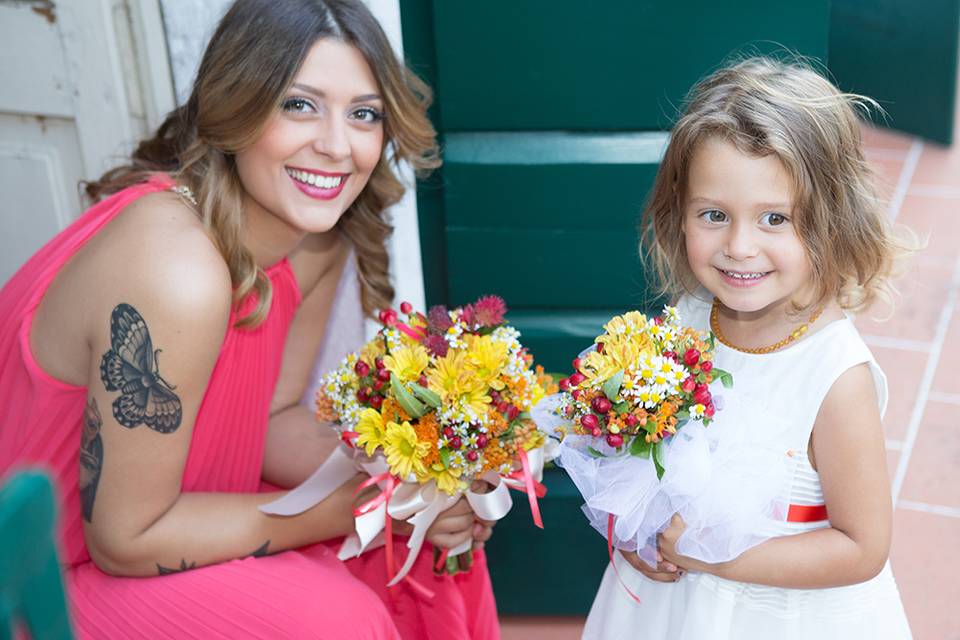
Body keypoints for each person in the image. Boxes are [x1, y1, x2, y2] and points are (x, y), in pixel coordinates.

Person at [0, 1, 496, 637]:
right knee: (337, 621)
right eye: (299, 104)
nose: (336, 146)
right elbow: (124, 540)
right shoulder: (175, 272)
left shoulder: (316, 242)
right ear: (236, 105)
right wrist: (359, 509)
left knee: (431, 548)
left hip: (171, 515)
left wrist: (420, 476)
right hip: (50, 569)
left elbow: (270, 421)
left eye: (364, 113)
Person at [583, 57, 913, 639]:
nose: (739, 246)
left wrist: (710, 556)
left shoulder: (834, 376)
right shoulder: (685, 323)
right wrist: (637, 533)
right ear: (677, 213)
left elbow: (862, 548)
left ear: (832, 222)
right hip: (668, 610)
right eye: (714, 215)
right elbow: (647, 463)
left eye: (774, 219)